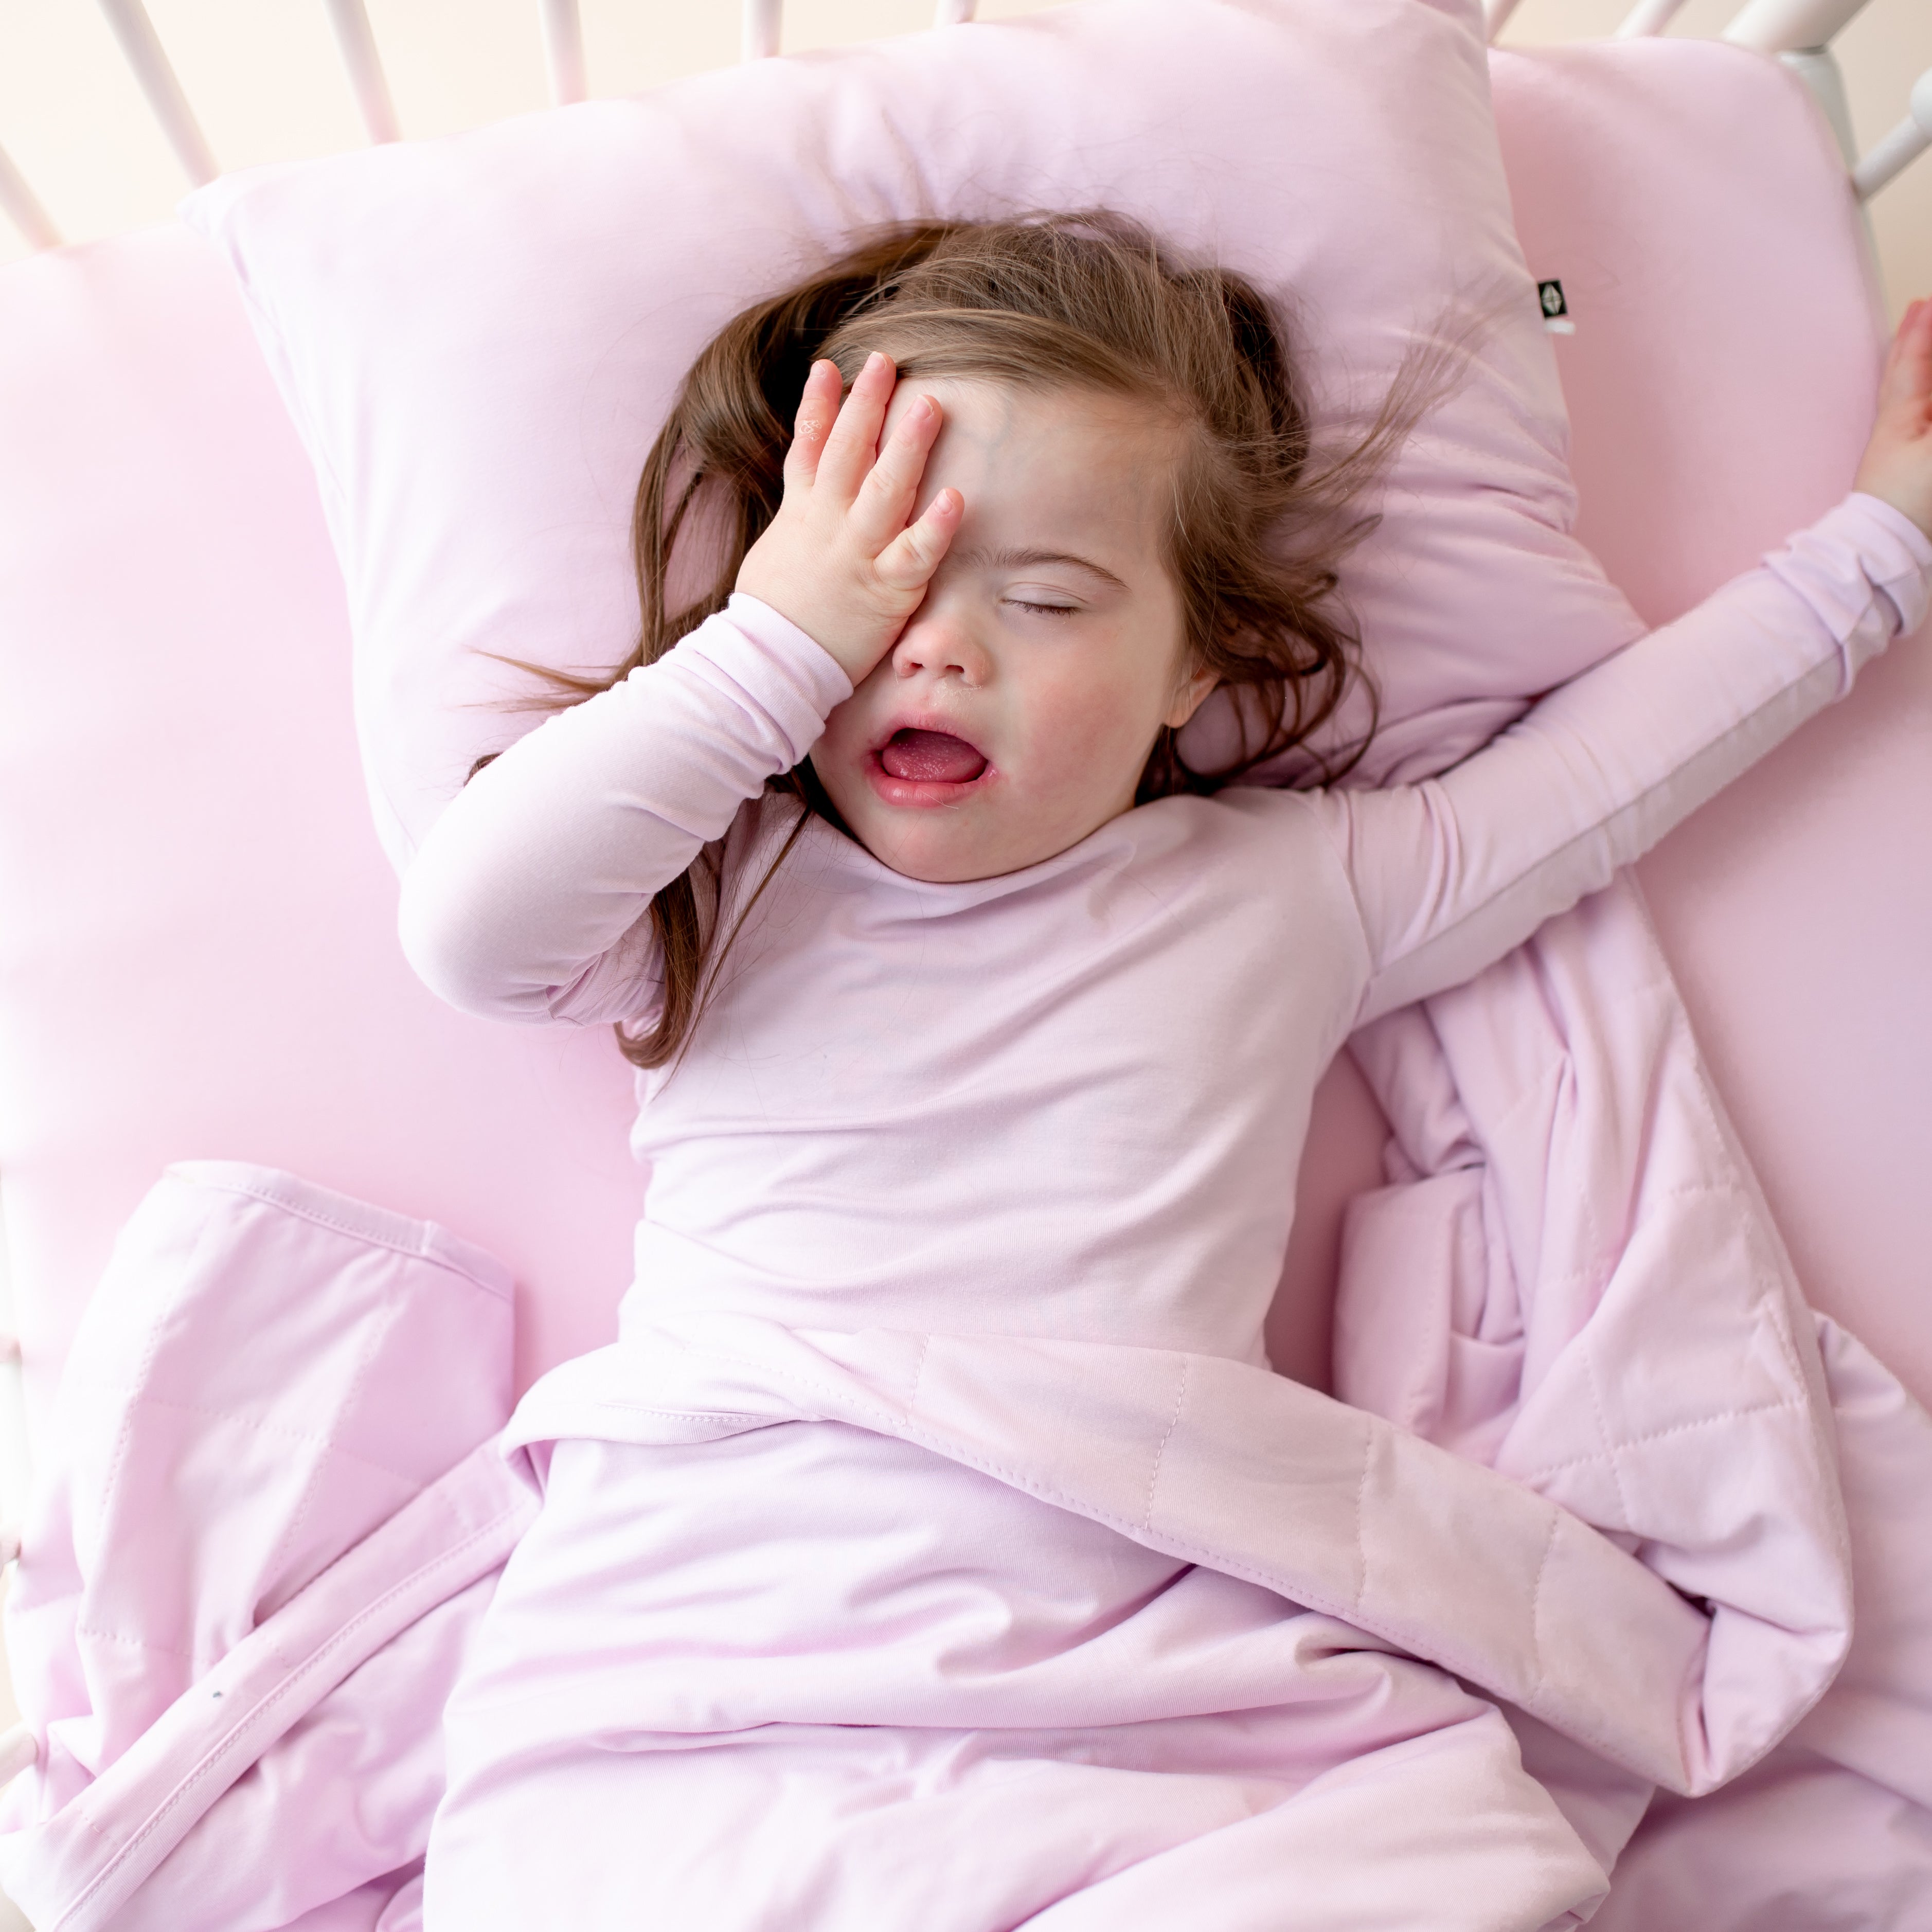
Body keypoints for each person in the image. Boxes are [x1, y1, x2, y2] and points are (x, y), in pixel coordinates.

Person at [399, 214, 1932, 1928]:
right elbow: (469, 930)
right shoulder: (721, 880)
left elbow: (1605, 777)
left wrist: (1882, 544)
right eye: (882, 581)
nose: (936, 645)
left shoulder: (1295, 890)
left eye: (1045, 598)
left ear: (1192, 663)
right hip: (720, 1614)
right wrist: (773, 644)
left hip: (1136, 1652)